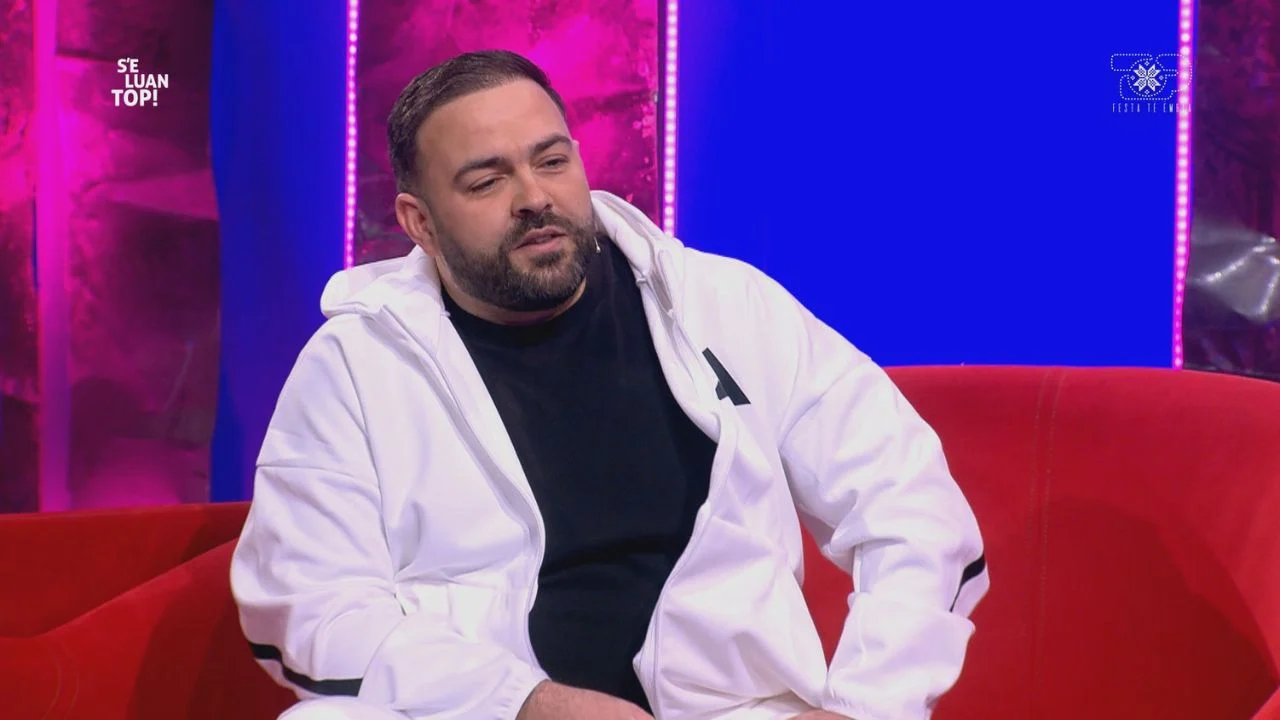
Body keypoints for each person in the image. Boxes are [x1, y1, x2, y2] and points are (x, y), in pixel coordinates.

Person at [231, 50, 989, 720]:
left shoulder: (725, 306)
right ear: (419, 223)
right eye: (487, 180)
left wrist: (866, 706)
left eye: (552, 160)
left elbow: (910, 504)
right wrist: (523, 703)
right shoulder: (355, 367)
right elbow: (309, 608)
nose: (534, 196)